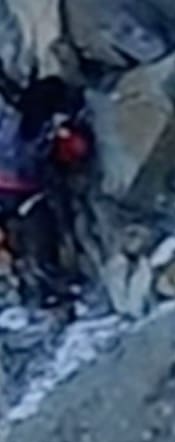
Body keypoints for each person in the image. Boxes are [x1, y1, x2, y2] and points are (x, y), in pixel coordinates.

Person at [0, 74, 92, 306]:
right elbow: (76, 151)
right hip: (26, 190)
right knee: (42, 237)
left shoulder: (12, 120)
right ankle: (51, 286)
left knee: (30, 241)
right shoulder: (45, 128)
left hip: (15, 189)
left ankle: (40, 287)